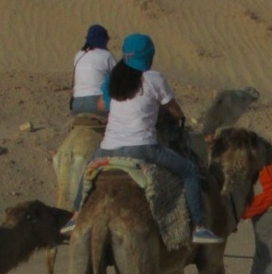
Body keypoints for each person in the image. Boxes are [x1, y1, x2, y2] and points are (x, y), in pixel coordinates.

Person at [61, 33, 223, 244]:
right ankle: (199, 227)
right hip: (143, 148)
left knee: (88, 169)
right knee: (190, 171)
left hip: (109, 147)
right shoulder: (154, 78)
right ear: (149, 55)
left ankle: (75, 216)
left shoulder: (116, 79)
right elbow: (175, 111)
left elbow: (102, 106)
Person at [70, 24, 116, 115]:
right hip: (97, 101)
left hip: (77, 103)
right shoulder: (107, 55)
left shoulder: (79, 55)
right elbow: (118, 78)